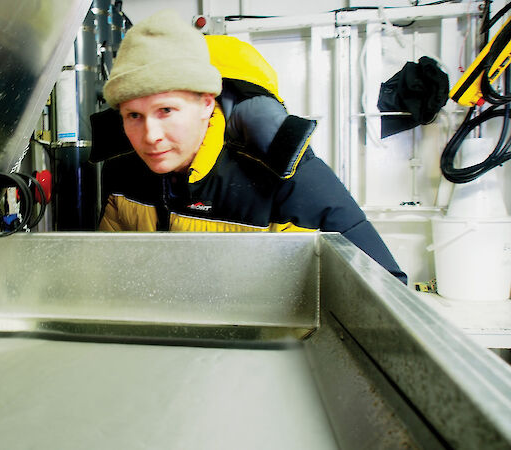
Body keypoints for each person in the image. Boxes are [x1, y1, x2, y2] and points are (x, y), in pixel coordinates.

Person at [90, 9, 407, 284]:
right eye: (134, 115)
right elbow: (109, 268)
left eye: (166, 111)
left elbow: (382, 289)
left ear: (205, 104)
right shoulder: (123, 168)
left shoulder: (282, 172)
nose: (150, 135)